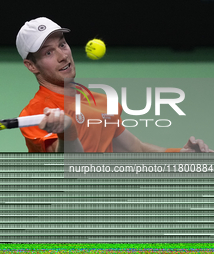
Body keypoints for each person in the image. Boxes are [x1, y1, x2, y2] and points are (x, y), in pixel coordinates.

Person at [16, 17, 212, 153]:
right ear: (31, 65)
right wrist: (67, 132)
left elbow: (136, 150)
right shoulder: (35, 114)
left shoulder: (97, 100)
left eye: (62, 44)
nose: (63, 56)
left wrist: (181, 153)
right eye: (48, 53)